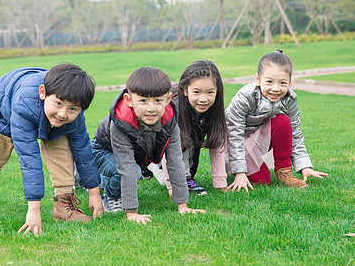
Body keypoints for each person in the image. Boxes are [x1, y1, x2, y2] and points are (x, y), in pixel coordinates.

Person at [0, 64, 104, 236]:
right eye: (59, 103)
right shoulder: (23, 107)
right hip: (3, 104)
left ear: (81, 108)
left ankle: (64, 206)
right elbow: (29, 159)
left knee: (62, 153)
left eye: (72, 109)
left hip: (42, 109)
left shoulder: (72, 114)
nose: (63, 113)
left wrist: (95, 194)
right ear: (43, 93)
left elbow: (83, 152)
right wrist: (34, 210)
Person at [91, 66, 205, 224]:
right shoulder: (120, 122)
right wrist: (132, 213)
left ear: (168, 99)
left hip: (136, 154)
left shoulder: (170, 120)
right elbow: (127, 166)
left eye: (158, 100)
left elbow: (175, 161)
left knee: (131, 172)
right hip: (102, 150)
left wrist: (182, 205)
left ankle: (92, 179)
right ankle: (112, 195)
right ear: (129, 100)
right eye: (143, 101)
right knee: (133, 172)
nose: (151, 108)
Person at [226, 49, 328, 191]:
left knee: (282, 121)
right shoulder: (245, 97)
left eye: (282, 83)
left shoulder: (289, 99)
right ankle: (240, 168)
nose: (276, 88)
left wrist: (304, 166)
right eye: (269, 82)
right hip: (233, 145)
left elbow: (295, 133)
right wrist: (240, 172)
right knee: (262, 181)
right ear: (258, 79)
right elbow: (233, 134)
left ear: (289, 83)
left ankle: (284, 172)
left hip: (259, 140)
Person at [159, 60, 229, 196]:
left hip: (183, 156)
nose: (203, 99)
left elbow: (217, 145)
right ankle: (150, 166)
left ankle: (185, 176)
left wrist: (221, 184)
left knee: (187, 140)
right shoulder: (174, 109)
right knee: (181, 136)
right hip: (160, 152)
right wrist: (172, 186)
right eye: (196, 92)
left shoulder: (214, 110)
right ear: (185, 90)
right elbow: (169, 148)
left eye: (210, 92)